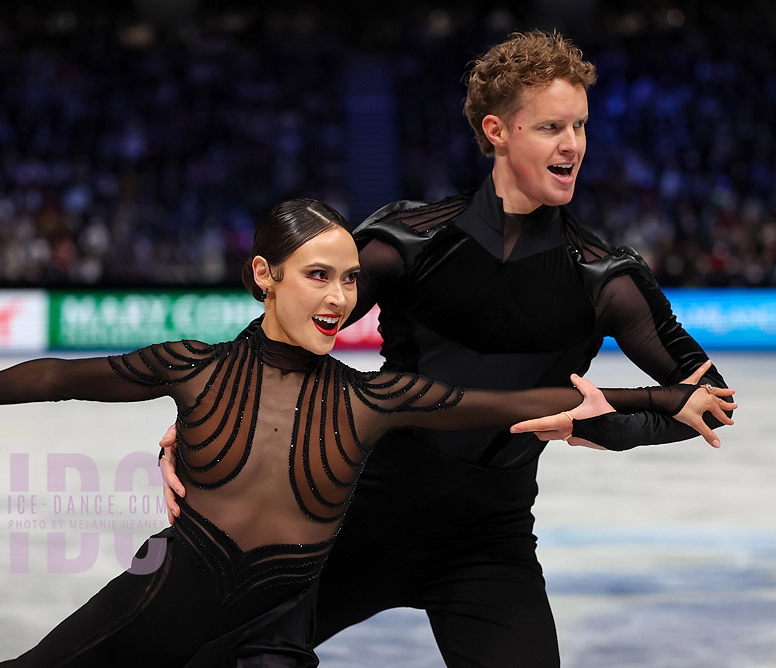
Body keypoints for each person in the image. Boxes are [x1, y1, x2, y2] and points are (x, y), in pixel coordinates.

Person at [0, 198, 733, 667]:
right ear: (265, 277)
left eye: (348, 281)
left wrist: (657, 406)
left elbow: (510, 401)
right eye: (318, 276)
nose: (341, 298)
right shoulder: (197, 364)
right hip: (200, 588)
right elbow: (60, 377)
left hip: (436, 559)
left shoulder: (372, 395)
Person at [154, 30, 737, 668]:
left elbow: (712, 400)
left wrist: (614, 425)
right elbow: (288, 331)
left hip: (488, 545)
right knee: (219, 652)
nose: (573, 145)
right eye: (550, 127)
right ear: (497, 130)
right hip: (356, 515)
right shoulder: (407, 239)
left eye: (580, 126)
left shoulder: (606, 276)